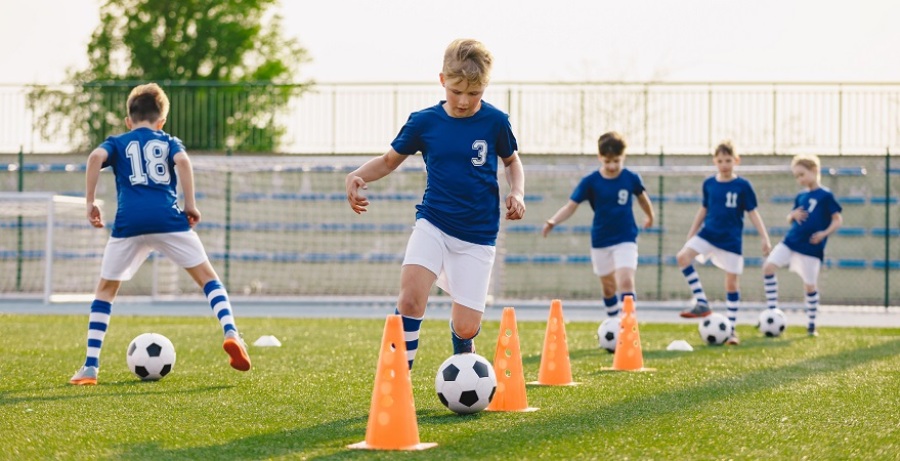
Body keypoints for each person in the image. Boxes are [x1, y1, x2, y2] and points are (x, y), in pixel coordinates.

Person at [345, 39, 525, 369]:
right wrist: (358, 175)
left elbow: (512, 161)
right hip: (434, 222)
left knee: (466, 325)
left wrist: (517, 192)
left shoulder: (496, 122)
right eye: (457, 91)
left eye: (474, 94)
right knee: (411, 297)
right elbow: (388, 161)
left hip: (478, 235)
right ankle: (398, 378)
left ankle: (463, 343)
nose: (464, 101)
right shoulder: (424, 122)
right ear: (442, 80)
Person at [69, 83, 251, 385]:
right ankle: (231, 332)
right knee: (209, 280)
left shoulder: (118, 141)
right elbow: (183, 162)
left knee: (105, 292)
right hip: (168, 220)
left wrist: (90, 203)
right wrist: (190, 204)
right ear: (161, 121)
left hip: (129, 224)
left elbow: (93, 159)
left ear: (129, 120)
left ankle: (90, 367)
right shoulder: (169, 142)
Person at [542, 131, 654, 318]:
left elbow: (643, 199)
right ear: (600, 157)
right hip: (601, 240)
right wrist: (553, 220)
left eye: (617, 161)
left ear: (623, 157)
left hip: (626, 238)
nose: (612, 166)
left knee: (626, 280)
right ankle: (612, 322)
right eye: (607, 161)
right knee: (609, 287)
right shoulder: (590, 181)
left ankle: (628, 327)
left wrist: (650, 216)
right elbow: (571, 206)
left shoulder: (631, 178)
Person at [676, 141, 771, 345]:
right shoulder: (709, 184)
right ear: (714, 161)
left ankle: (732, 330)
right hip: (708, 234)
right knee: (683, 257)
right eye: (720, 161)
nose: (724, 164)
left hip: (731, 241)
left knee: (731, 283)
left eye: (728, 160)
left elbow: (752, 212)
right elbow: (703, 209)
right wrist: (692, 232)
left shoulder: (743, 186)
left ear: (736, 160)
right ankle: (702, 302)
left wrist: (764, 237)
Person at [762, 154, 842, 337]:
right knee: (768, 267)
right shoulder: (801, 196)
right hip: (791, 241)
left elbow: (838, 219)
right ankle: (772, 312)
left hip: (811, 248)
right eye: (796, 176)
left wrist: (824, 233)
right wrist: (792, 215)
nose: (799, 179)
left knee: (810, 286)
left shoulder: (826, 196)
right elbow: (791, 217)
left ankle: (812, 325)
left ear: (814, 171)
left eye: (801, 174)